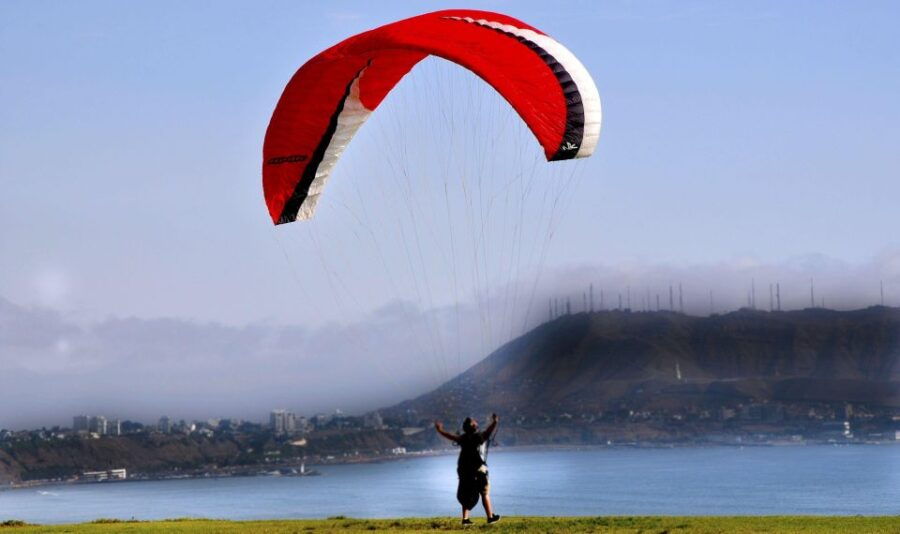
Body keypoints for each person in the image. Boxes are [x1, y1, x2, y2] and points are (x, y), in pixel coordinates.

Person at [434, 413, 500, 525]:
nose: (476, 422)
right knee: (484, 492)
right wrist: (495, 422)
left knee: (466, 493)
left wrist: (440, 430)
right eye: (474, 422)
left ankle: (465, 519)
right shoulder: (478, 437)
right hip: (478, 469)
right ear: (473, 426)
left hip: (464, 470)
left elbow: (450, 436)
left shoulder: (463, 438)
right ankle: (490, 517)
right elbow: (489, 431)